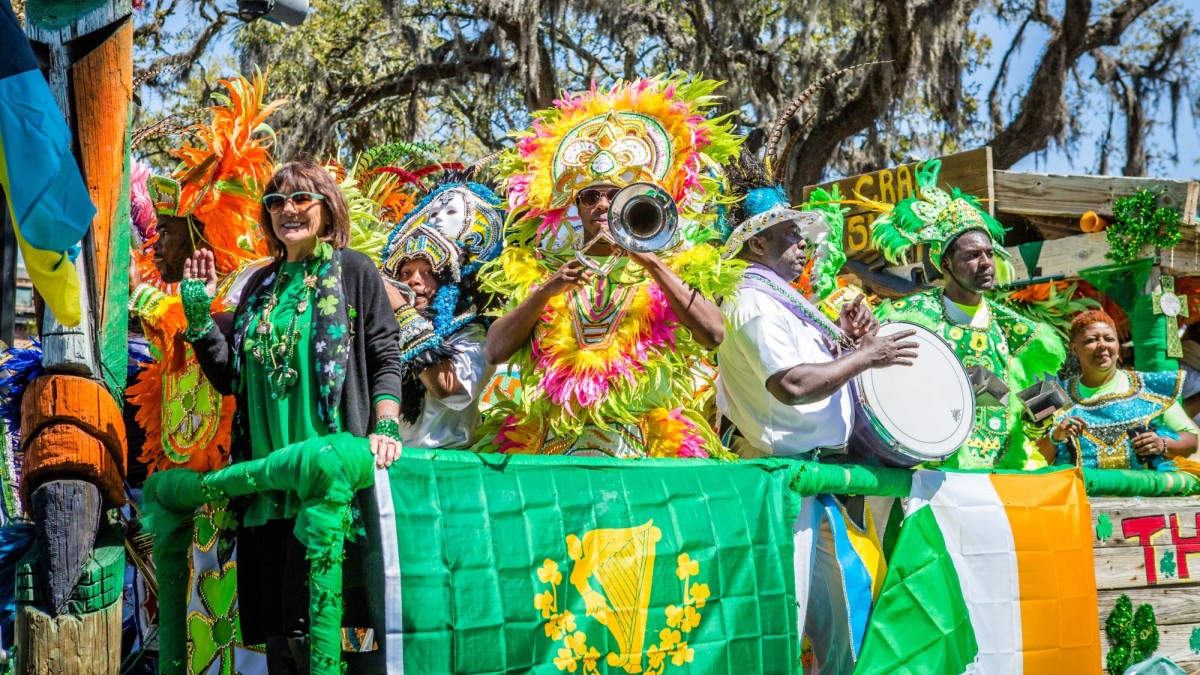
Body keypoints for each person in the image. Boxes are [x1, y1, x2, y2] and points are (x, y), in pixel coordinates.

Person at [182, 160, 402, 671]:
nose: (288, 210)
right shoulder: (259, 286)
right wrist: (198, 318)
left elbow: (386, 355)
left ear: (327, 207)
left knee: (337, 627)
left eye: (301, 198)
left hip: (331, 486)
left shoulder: (354, 272)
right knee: (286, 631)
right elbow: (230, 377)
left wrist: (384, 423)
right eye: (276, 202)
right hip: (267, 487)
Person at [715, 155, 916, 674]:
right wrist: (866, 354)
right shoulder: (752, 301)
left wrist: (848, 341)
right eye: (789, 233)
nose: (802, 242)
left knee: (846, 618)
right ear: (756, 244)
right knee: (783, 625)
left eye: (802, 233)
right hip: (779, 487)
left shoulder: (778, 300)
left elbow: (813, 374)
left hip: (809, 483)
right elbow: (793, 385)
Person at [478, 74, 743, 458]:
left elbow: (714, 334)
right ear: (578, 206)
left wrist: (651, 261)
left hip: (646, 452)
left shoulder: (668, 268)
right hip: (555, 450)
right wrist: (547, 290)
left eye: (615, 194)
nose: (602, 204)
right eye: (589, 196)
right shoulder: (545, 271)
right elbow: (494, 350)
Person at [870, 159, 1065, 469]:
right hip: (934, 476)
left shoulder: (1016, 330)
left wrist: (1041, 412)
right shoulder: (911, 318)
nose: (986, 262)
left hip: (1004, 477)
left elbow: (1039, 415)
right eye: (972, 255)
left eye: (989, 253)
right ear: (945, 264)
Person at [378, 170, 504, 449]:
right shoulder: (381, 332)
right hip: (385, 463)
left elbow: (449, 389)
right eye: (406, 272)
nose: (414, 281)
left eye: (428, 272)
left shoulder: (470, 332)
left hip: (447, 468)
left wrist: (403, 311)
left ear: (447, 280)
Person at [1048, 310, 1198, 469]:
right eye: (1092, 339)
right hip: (1079, 491)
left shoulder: (1149, 387)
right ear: (1074, 348)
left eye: (1109, 339)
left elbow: (1191, 440)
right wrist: (1057, 436)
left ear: (1118, 344)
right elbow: (1035, 458)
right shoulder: (1055, 397)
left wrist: (1162, 444)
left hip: (1143, 490)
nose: (1102, 345)